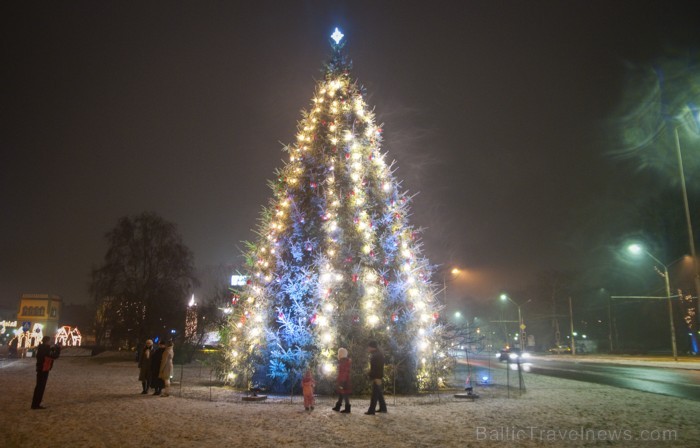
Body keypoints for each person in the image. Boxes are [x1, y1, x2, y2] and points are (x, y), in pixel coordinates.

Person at [31, 336, 60, 409]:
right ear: (47, 341)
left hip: (41, 368)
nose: (51, 342)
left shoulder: (42, 347)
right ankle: (36, 404)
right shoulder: (45, 349)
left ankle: (35, 403)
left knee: (39, 386)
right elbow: (54, 356)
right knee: (41, 387)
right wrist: (58, 349)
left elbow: (50, 352)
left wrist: (55, 348)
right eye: (50, 341)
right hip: (44, 368)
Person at [365, 341, 387, 415]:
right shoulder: (378, 354)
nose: (367, 348)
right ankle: (383, 408)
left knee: (374, 394)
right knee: (378, 393)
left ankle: (371, 410)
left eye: (368, 347)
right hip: (378, 375)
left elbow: (375, 368)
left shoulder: (375, 355)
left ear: (372, 347)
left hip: (377, 376)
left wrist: (372, 375)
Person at [332, 347, 352, 414]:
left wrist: (341, 382)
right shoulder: (345, 362)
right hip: (344, 381)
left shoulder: (343, 362)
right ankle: (338, 406)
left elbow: (343, 373)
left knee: (344, 394)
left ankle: (347, 408)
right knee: (341, 393)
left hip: (343, 382)